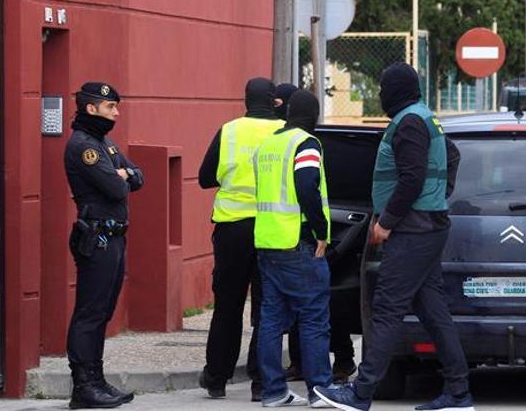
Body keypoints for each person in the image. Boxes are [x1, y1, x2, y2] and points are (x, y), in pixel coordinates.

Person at [315, 63, 474, 411]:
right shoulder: (424, 117)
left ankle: (361, 393)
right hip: (427, 224)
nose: (381, 95)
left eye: (384, 88)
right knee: (433, 312)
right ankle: (459, 393)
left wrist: (387, 220)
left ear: (396, 91)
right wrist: (438, 195)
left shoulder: (410, 122)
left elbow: (412, 177)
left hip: (413, 229)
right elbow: (452, 156)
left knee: (386, 308)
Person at [198, 78, 284, 401]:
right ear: (275, 101)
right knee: (266, 308)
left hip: (232, 230)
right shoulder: (286, 133)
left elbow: (206, 177)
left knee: (227, 306)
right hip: (271, 230)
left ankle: (217, 378)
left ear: (245, 101)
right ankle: (261, 382)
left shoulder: (229, 131)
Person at [65, 82, 143, 409]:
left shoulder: (105, 145)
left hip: (113, 237)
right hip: (96, 237)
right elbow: (115, 187)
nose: (116, 113)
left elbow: (138, 176)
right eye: (110, 107)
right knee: (90, 312)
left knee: (103, 311)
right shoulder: (84, 146)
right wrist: (121, 175)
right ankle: (83, 385)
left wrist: (125, 173)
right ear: (91, 109)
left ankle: (96, 379)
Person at [254, 89, 334, 408]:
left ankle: (273, 391)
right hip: (299, 243)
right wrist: (322, 232)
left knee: (271, 318)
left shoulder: (269, 143)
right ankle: (320, 390)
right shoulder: (306, 143)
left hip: (268, 242)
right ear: (313, 116)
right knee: (314, 317)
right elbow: (306, 185)